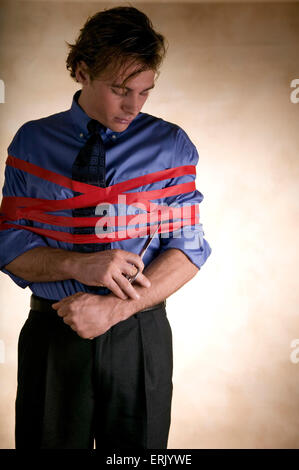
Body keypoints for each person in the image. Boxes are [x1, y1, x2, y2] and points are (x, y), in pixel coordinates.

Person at [0, 6, 211, 449]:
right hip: (54, 332)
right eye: (120, 89)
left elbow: (188, 249)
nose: (133, 106)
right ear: (81, 71)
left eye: (144, 91)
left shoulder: (170, 145)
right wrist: (80, 265)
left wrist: (116, 310)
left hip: (139, 332)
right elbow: (9, 243)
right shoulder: (31, 142)